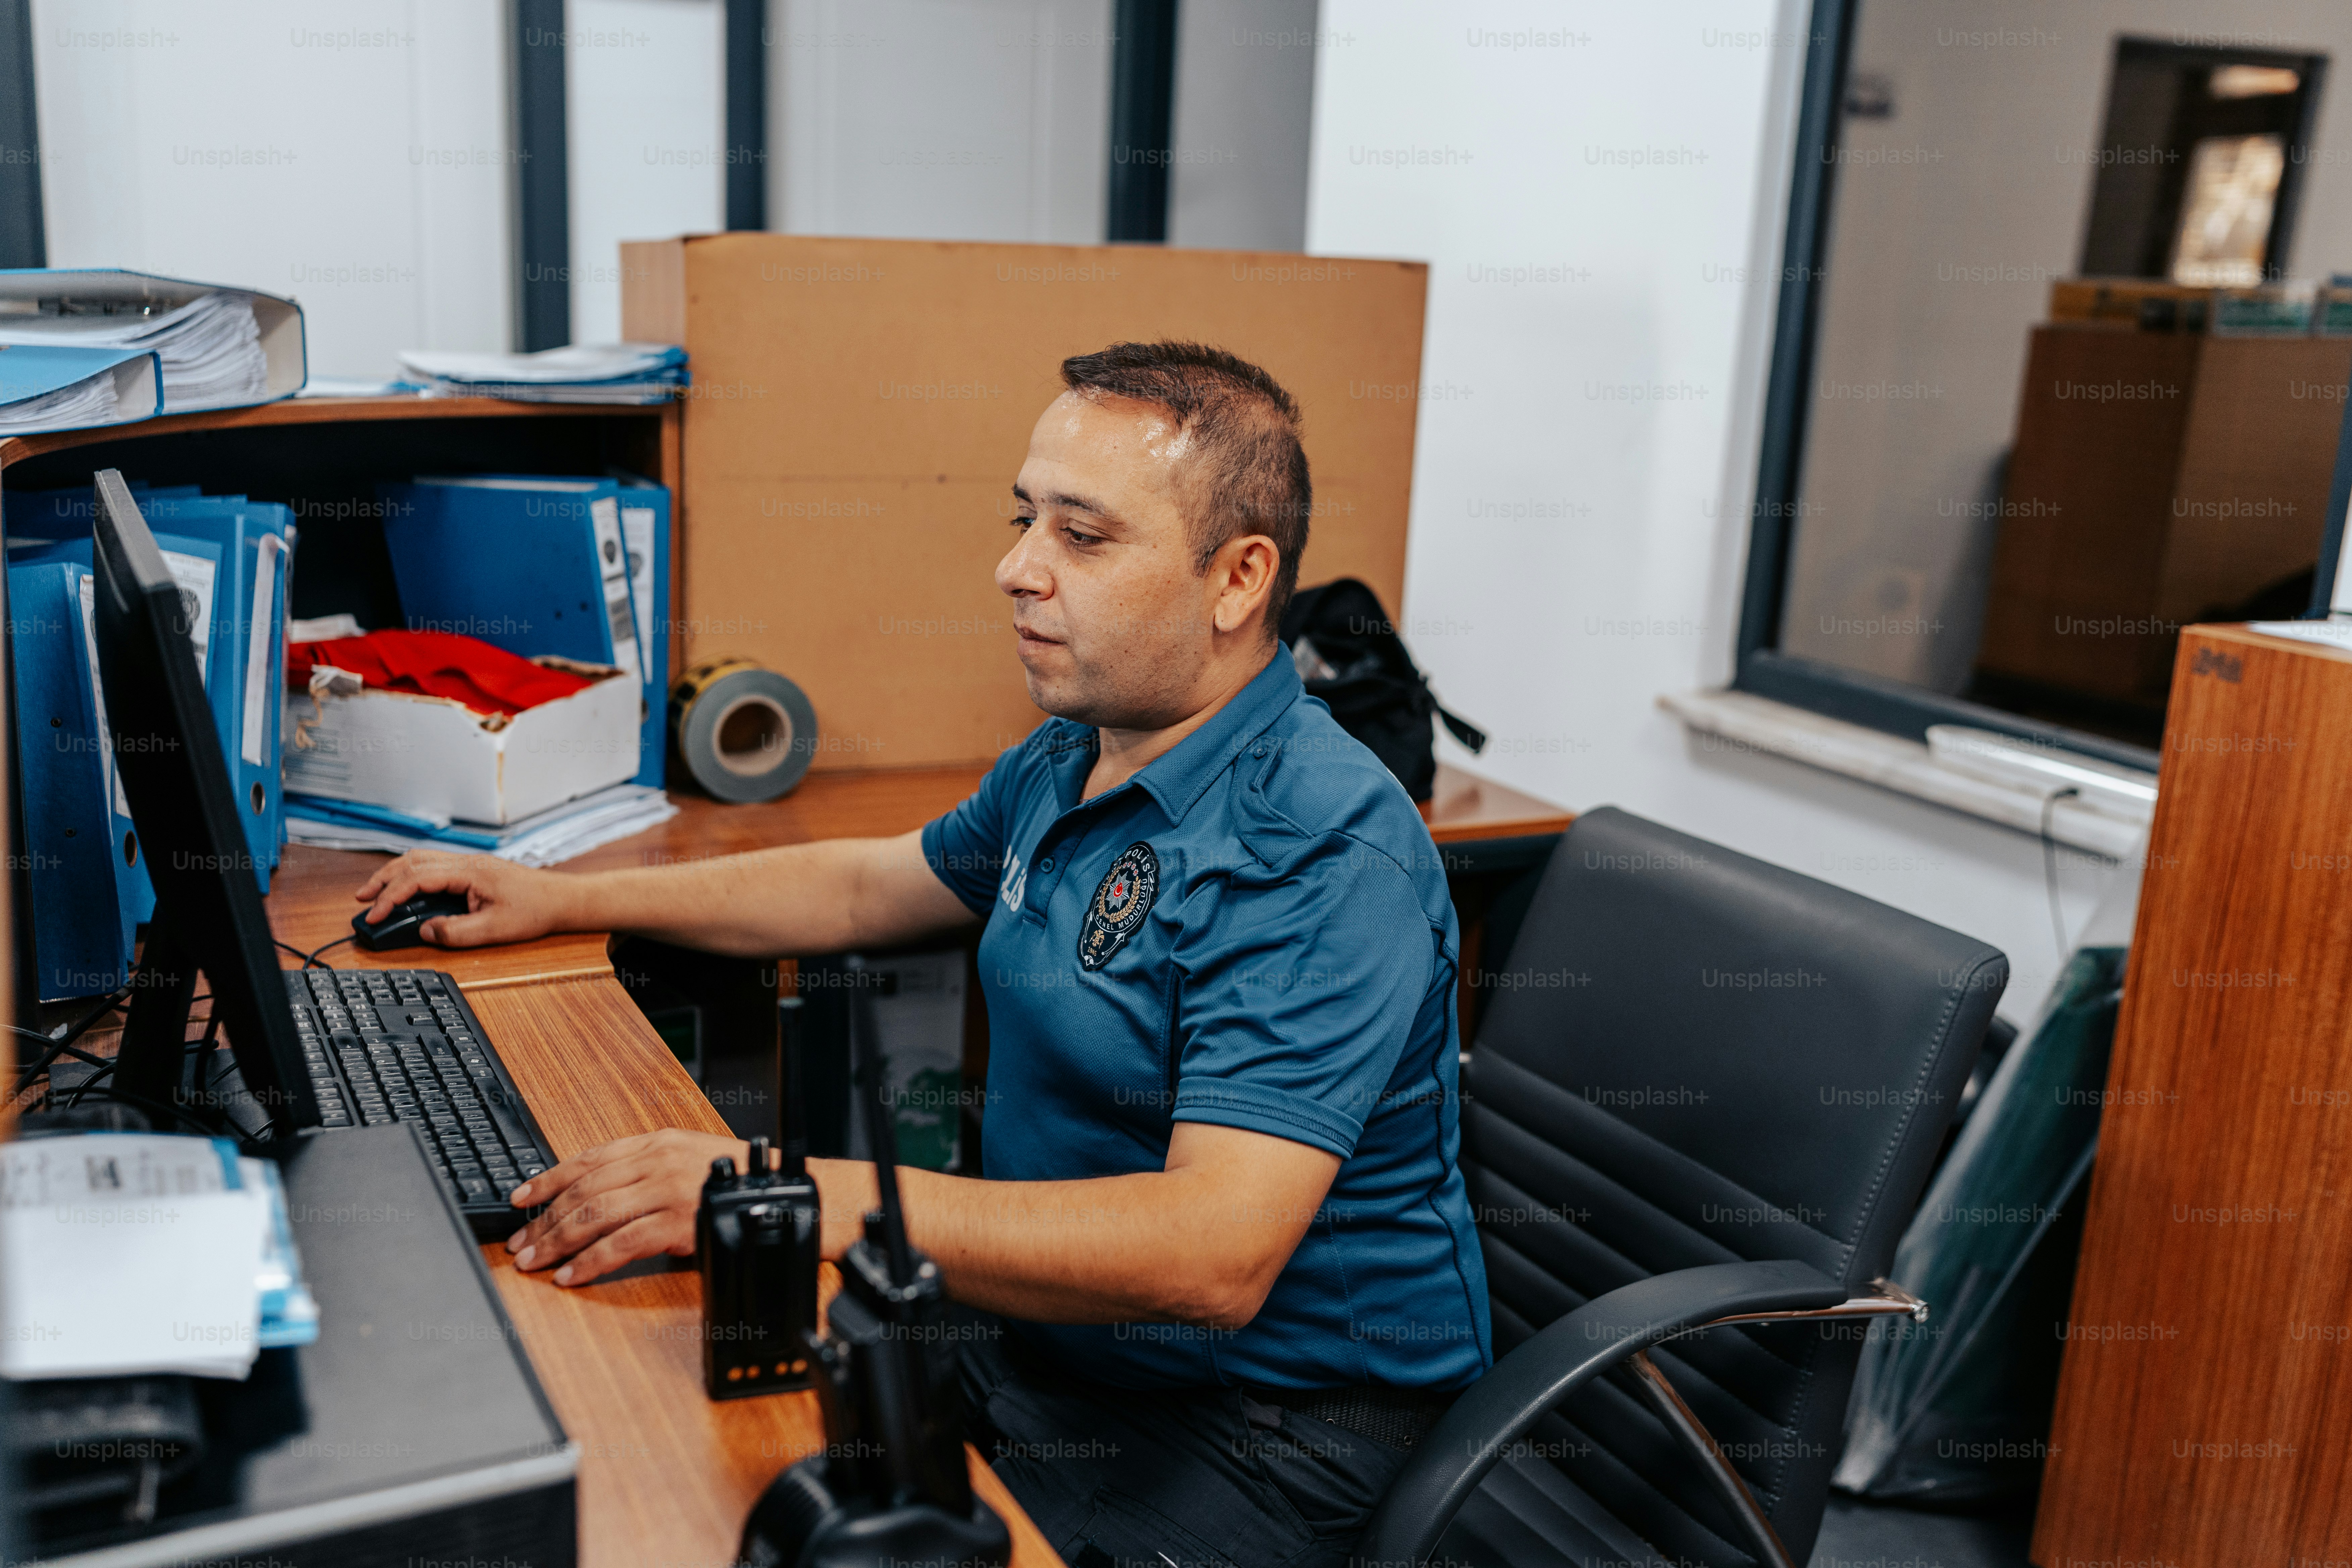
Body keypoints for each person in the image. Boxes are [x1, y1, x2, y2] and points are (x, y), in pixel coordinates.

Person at [354, 341, 1489, 1565]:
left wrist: (791, 1194)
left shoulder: (1319, 847)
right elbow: (861, 886)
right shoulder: (1081, 751)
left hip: (1266, 1427)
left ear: (1239, 579)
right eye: (1023, 519)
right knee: (683, 1463)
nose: (1016, 569)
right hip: (1044, 1346)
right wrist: (555, 898)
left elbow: (1211, 1256)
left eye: (1083, 536)